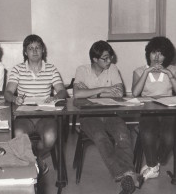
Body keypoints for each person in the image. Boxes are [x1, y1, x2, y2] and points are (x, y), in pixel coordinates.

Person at [73, 40, 142, 194]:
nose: (109, 61)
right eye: (105, 58)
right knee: (100, 137)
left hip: (111, 113)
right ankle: (126, 175)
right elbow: (77, 94)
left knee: (123, 134)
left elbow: (119, 93)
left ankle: (128, 175)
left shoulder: (113, 68)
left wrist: (91, 91)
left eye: (110, 57)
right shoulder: (82, 70)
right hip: (88, 116)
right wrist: (105, 89)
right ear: (94, 59)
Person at [4, 34, 68, 177]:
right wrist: (15, 98)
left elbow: (62, 92)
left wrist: (55, 97)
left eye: (37, 48)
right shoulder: (17, 69)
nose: (34, 51)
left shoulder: (51, 69)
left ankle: (33, 160)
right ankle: (37, 161)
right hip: (23, 116)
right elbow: (7, 93)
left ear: (43, 50)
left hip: (45, 116)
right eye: (30, 48)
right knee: (18, 135)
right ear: (25, 52)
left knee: (50, 137)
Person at [132, 36, 176, 181]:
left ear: (167, 55)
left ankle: (154, 163)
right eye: (154, 52)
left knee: (170, 137)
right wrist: (146, 73)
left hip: (169, 111)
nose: (157, 57)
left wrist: (170, 76)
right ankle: (152, 165)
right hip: (148, 111)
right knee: (148, 133)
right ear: (148, 53)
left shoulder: (173, 70)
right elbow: (135, 93)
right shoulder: (139, 71)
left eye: (161, 53)